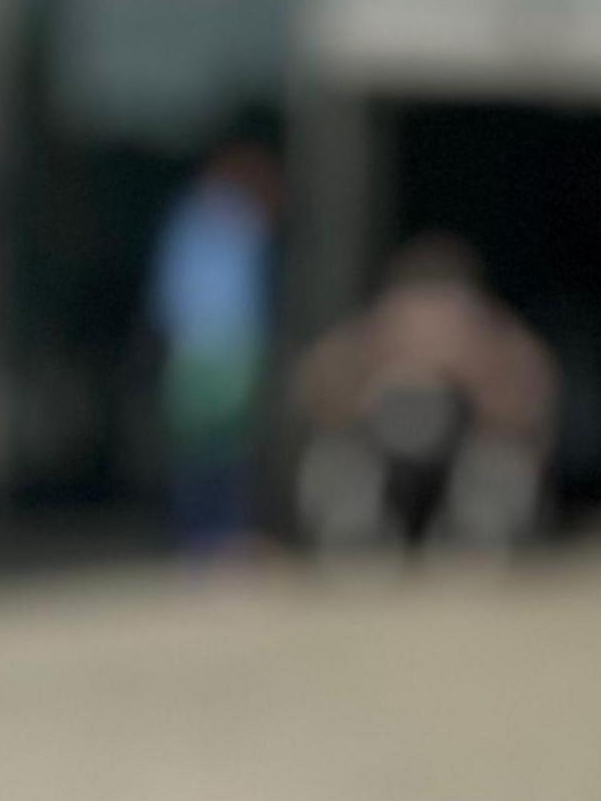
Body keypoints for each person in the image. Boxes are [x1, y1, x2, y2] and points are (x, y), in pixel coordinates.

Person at [288, 233, 555, 556]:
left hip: (474, 445)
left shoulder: (493, 337)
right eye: (419, 307)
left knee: (499, 460)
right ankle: (356, 539)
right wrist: (365, 396)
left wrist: (482, 398)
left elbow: (534, 389)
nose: (430, 325)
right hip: (374, 444)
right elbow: (315, 383)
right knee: (336, 458)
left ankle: (474, 539)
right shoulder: (371, 334)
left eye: (443, 307)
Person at [145, 126, 279, 558]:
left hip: (236, 353)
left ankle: (224, 539)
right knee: (199, 453)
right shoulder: (196, 220)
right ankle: (201, 539)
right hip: (200, 353)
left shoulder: (245, 223)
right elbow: (172, 295)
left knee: (232, 451)